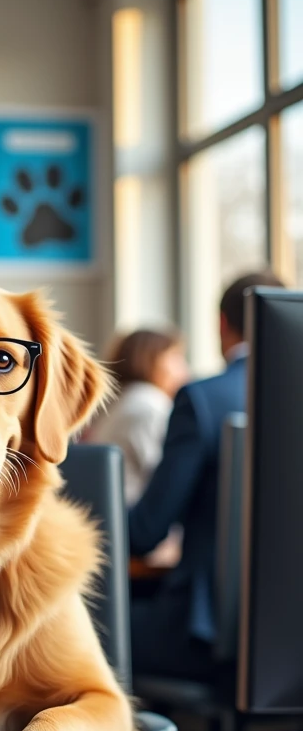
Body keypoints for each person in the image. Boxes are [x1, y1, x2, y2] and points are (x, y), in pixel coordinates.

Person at [128, 270, 285, 682]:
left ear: (222, 324)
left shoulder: (202, 399)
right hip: (288, 644)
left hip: (204, 635)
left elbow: (145, 531)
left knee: (87, 621)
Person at [89, 329, 189, 504]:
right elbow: (167, 478)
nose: (185, 369)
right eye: (176, 357)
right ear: (151, 359)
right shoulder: (150, 404)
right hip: (133, 519)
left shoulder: (122, 401)